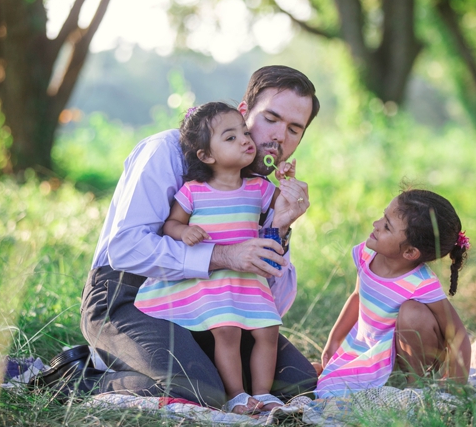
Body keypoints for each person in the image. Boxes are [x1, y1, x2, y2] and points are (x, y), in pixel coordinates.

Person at [79, 65, 324, 408]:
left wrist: (279, 229)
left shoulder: (264, 193)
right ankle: (74, 374)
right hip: (128, 295)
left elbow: (270, 306)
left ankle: (200, 369)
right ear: (243, 112)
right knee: (197, 389)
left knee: (297, 383)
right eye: (271, 118)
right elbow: (125, 248)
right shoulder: (166, 151)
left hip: (217, 308)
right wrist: (223, 255)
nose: (280, 136)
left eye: (294, 129)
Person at [134, 102, 290, 413]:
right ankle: (237, 395)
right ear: (206, 155)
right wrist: (183, 232)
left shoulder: (258, 187)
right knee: (227, 331)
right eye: (230, 138)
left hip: (249, 279)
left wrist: (286, 181)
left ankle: (264, 394)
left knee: (268, 331)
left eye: (245, 132)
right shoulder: (195, 191)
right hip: (214, 278)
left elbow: (283, 206)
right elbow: (171, 224)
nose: (246, 140)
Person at [316, 189, 473, 398]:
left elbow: (457, 333)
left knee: (412, 312)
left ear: (409, 252)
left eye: (387, 226)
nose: (376, 224)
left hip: (416, 352)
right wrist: (334, 339)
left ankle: (416, 385)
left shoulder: (421, 283)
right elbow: (357, 296)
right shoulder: (367, 254)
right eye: (383, 216)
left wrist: (455, 385)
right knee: (319, 382)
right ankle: (387, 379)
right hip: (370, 347)